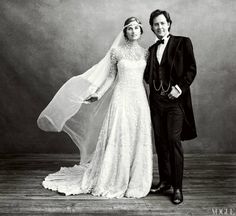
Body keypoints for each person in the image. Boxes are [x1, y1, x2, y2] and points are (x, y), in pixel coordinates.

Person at [37, 17, 153, 198]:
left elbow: (147, 80)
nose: (133, 31)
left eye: (136, 28)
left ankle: (135, 181)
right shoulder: (117, 52)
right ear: (125, 32)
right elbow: (110, 78)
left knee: (138, 136)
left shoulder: (146, 54)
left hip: (139, 99)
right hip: (121, 97)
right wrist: (97, 94)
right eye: (129, 28)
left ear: (141, 31)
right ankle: (115, 178)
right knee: (119, 135)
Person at [144, 9, 197, 204]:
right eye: (156, 24)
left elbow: (192, 69)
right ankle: (165, 181)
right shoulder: (150, 50)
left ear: (169, 24)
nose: (159, 27)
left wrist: (179, 88)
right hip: (156, 102)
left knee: (173, 140)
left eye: (162, 23)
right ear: (151, 27)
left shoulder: (183, 42)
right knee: (161, 142)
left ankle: (177, 188)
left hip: (175, 102)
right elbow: (144, 75)